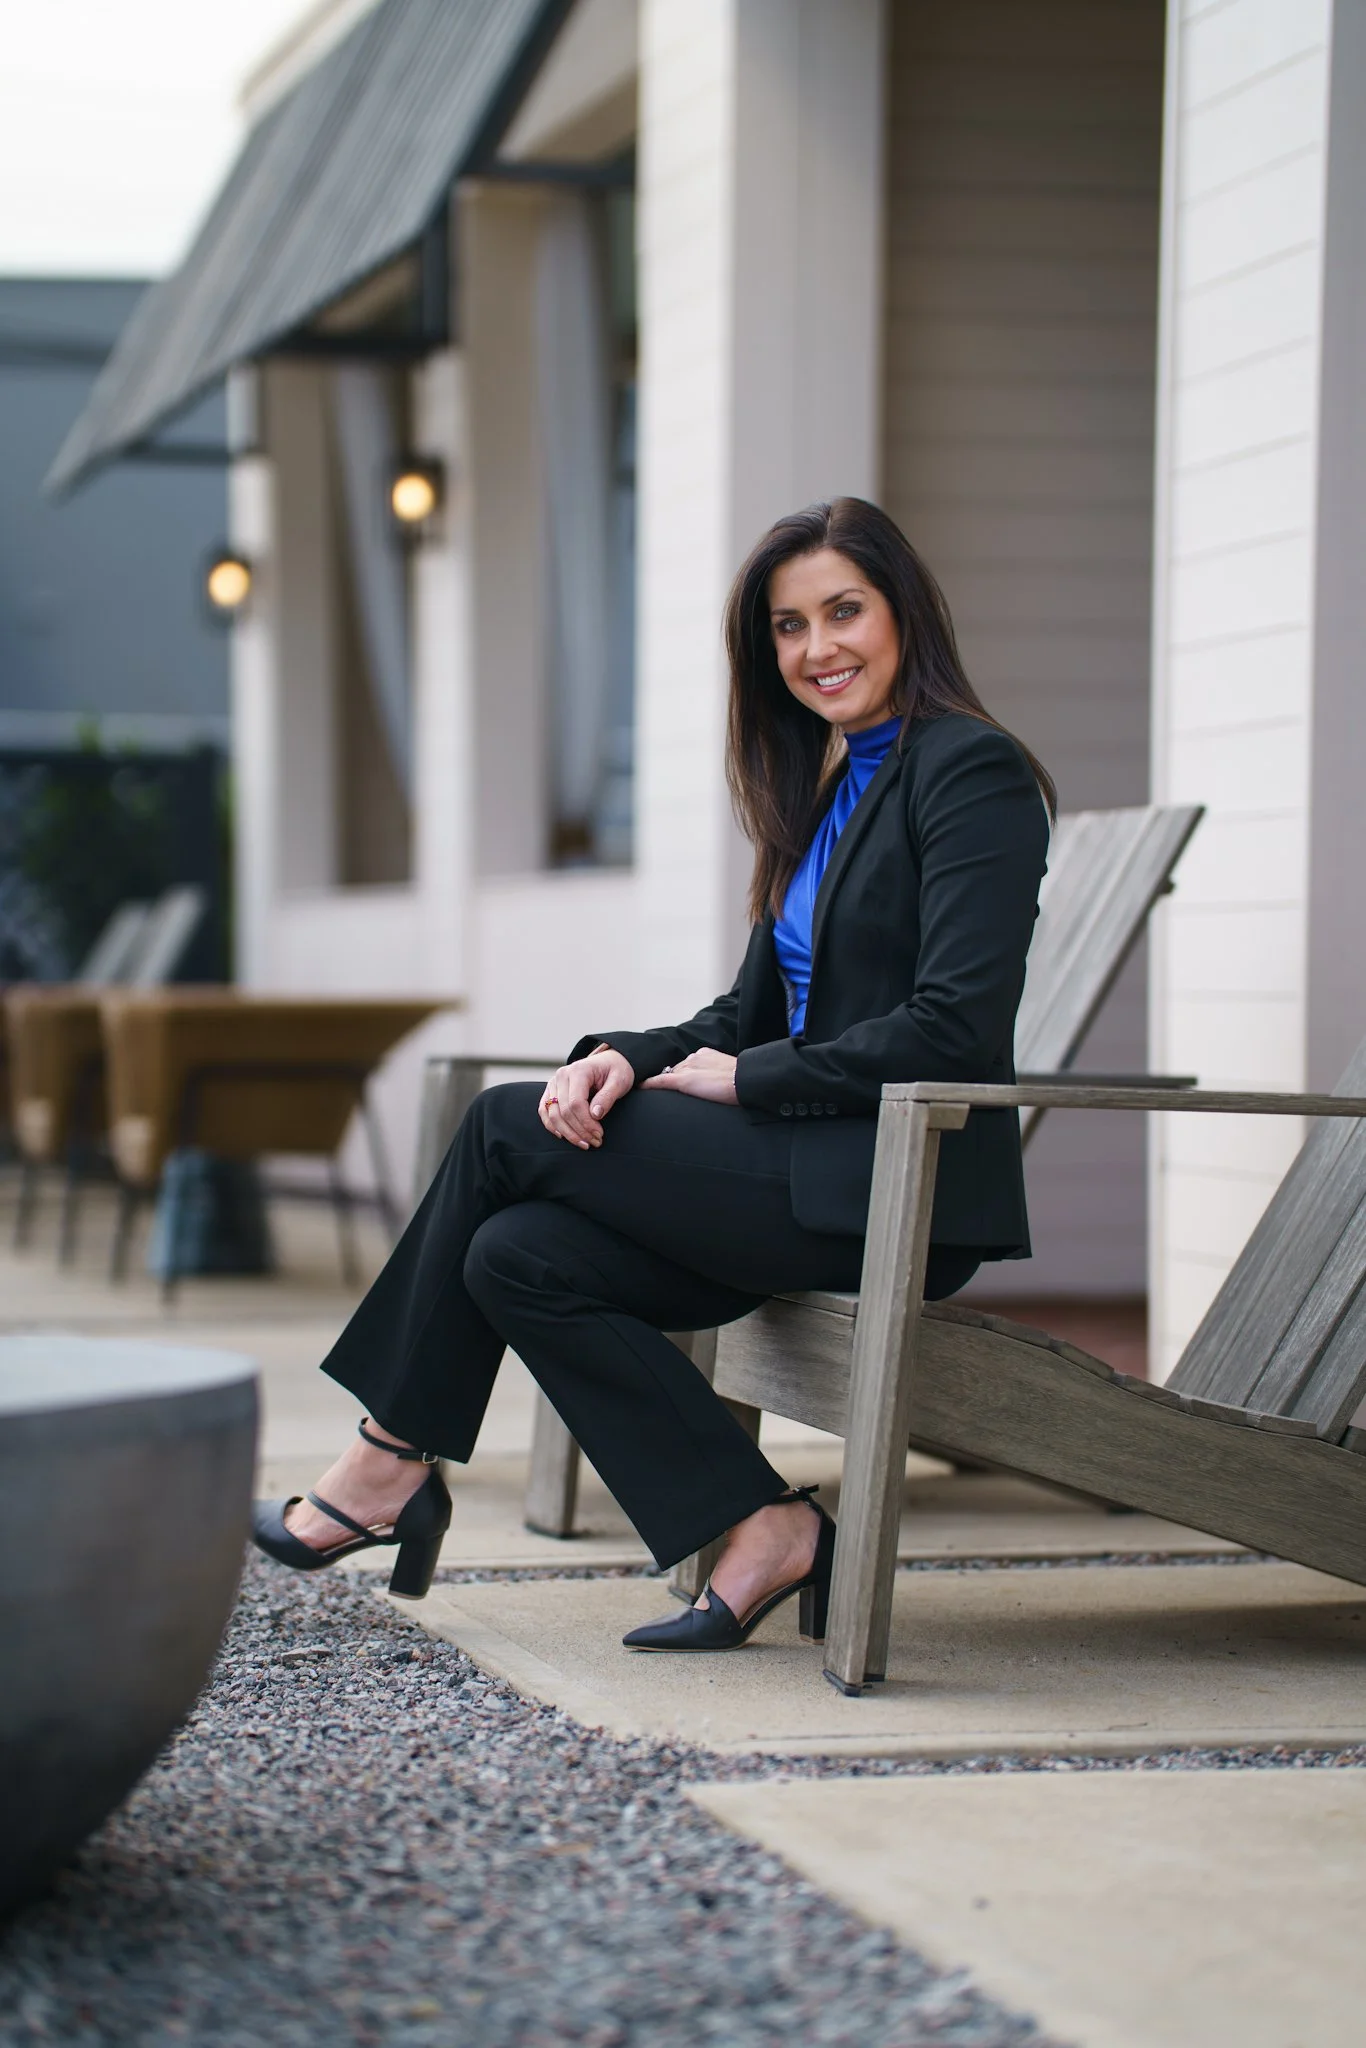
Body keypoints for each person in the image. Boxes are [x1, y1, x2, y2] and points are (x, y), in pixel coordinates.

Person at [253, 496, 1054, 1654]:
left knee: (498, 1124)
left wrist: (752, 1082)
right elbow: (742, 1011)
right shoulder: (835, 788)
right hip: (807, 1166)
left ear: (903, 613)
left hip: (894, 1182)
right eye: (788, 626)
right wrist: (623, 1058)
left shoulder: (967, 769)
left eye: (844, 612)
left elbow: (953, 1027)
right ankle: (761, 1523)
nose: (818, 648)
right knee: (513, 1254)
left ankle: (386, 1462)